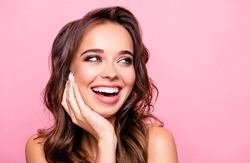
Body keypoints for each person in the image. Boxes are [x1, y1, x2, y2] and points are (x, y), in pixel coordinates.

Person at [25, 6, 178, 163]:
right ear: (68, 71)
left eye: (124, 60)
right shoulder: (42, 149)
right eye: (94, 58)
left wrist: (105, 138)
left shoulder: (157, 143)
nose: (111, 73)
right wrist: (106, 139)